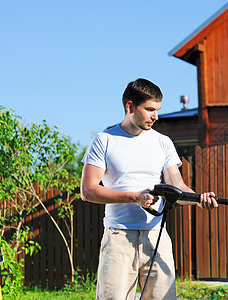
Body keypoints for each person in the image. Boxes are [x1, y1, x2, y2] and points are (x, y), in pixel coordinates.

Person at [80, 78, 218, 300]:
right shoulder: (105, 140)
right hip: (119, 238)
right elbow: (88, 191)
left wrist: (198, 199)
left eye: (158, 109)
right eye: (150, 109)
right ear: (130, 107)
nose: (156, 116)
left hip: (157, 236)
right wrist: (134, 197)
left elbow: (177, 187)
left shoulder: (163, 142)